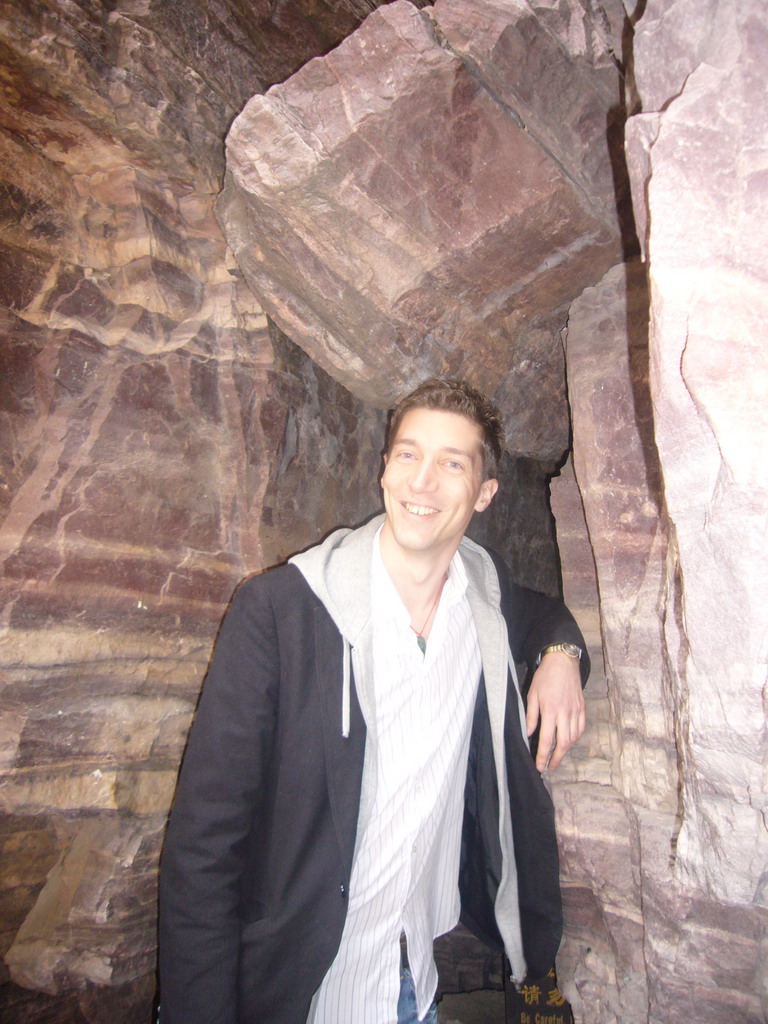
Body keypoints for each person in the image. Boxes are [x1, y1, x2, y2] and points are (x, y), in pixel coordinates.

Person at [158, 378, 589, 1024]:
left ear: (485, 494)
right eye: (409, 455)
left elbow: (544, 614)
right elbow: (203, 847)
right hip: (291, 992)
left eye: (452, 464)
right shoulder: (279, 613)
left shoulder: (482, 600)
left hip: (410, 984)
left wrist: (562, 656)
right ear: (384, 468)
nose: (422, 482)